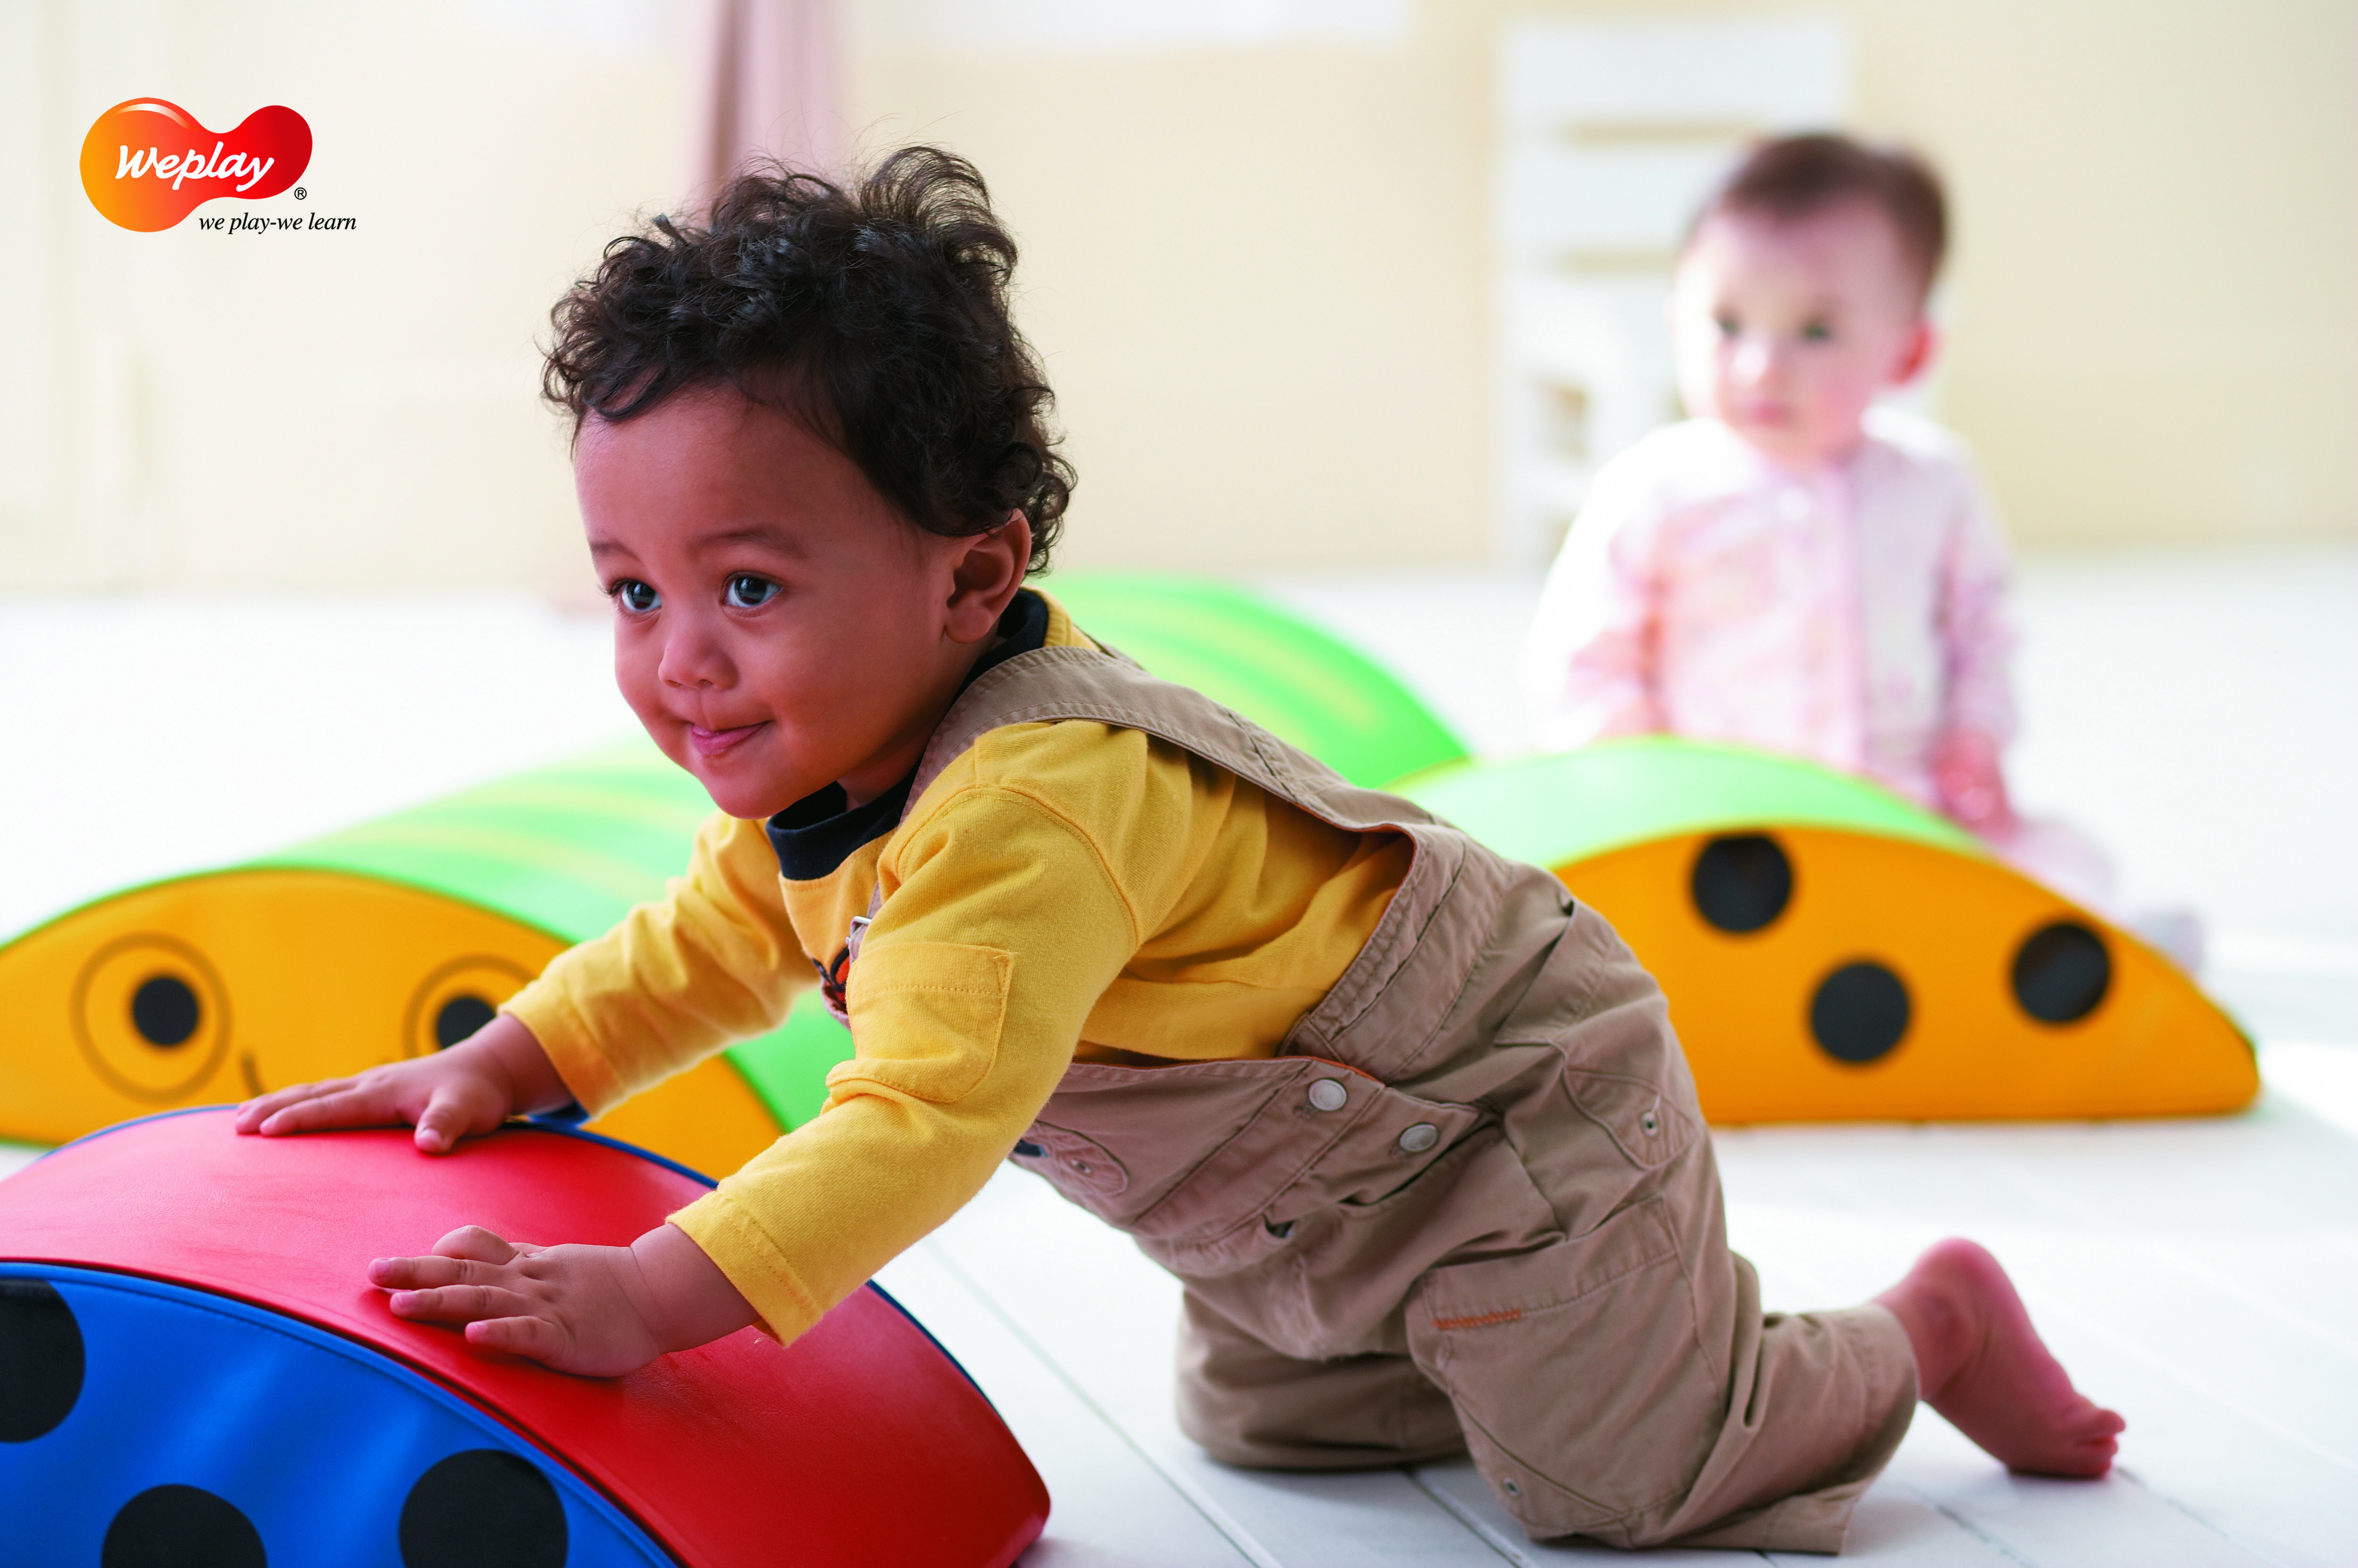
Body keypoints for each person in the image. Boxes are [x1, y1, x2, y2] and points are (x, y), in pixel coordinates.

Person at [236, 147, 2123, 1552]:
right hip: (1324, 1207)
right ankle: (1493, 1336)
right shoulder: (835, 764)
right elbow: (697, 943)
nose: (679, 657)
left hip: (1505, 1107)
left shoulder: (1026, 805)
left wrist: (654, 1292)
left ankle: (1914, 1327)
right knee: (1264, 1430)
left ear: (974, 571)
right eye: (633, 588)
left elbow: (912, 1123)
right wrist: (502, 1061)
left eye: (747, 583)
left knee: (1619, 1482)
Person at [1520, 134, 2182, 951]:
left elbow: (1984, 633)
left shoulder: (1935, 485)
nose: (1762, 366)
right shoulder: (1655, 488)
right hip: (1717, 825)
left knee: (2062, 865)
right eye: (1727, 325)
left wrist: (1978, 735)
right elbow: (1583, 659)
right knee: (1589, 916)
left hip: (1902, 812)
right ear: (1676, 322)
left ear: (1908, 352)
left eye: (1816, 332)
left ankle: (2088, 962)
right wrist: (1644, 782)